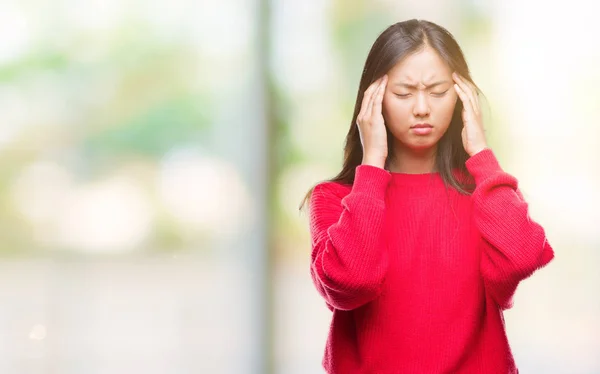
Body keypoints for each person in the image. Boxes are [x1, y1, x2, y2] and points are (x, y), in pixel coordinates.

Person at [303, 19, 555, 373]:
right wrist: (372, 165)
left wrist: (481, 152)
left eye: (437, 92)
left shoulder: (484, 192)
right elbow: (350, 283)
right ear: (372, 101)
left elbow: (522, 259)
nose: (422, 108)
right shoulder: (335, 198)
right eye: (404, 94)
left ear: (461, 97)